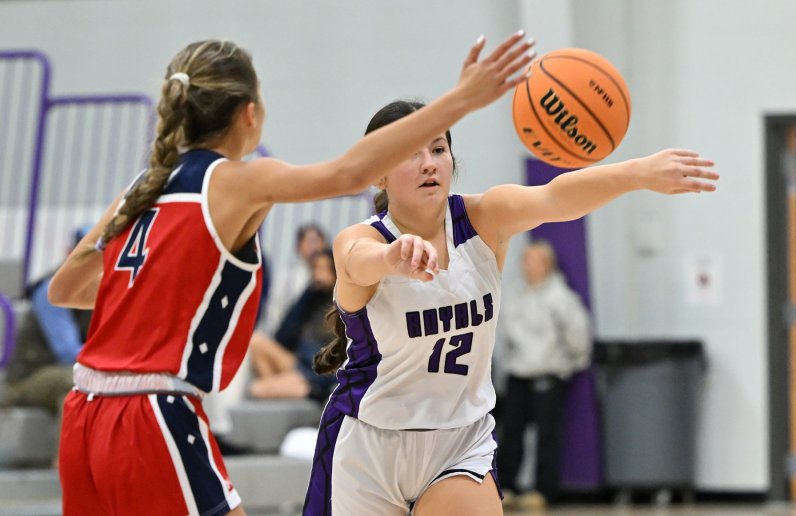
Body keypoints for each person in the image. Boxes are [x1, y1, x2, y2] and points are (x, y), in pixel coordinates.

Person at [47, 34, 536, 516]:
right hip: (149, 412)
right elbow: (349, 175)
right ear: (249, 113)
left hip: (83, 410)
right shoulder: (239, 179)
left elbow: (65, 288)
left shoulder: (141, 190)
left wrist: (157, 291)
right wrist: (460, 101)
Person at [304, 100, 718, 515]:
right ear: (379, 173)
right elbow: (356, 261)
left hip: (459, 441)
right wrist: (392, 259)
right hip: (369, 443)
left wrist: (638, 173)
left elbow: (555, 198)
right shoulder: (364, 239)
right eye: (411, 153)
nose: (429, 163)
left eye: (438, 149)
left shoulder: (483, 218)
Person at [496, 239, 591, 511]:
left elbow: (578, 336)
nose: (525, 264)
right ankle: (508, 486)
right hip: (517, 374)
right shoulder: (514, 294)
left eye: (532, 259)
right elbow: (505, 335)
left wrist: (566, 365)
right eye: (524, 259)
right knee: (511, 433)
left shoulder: (560, 297)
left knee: (548, 436)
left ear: (545, 264)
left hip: (548, 375)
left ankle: (544, 491)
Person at [1, 226, 94, 464]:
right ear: (69, 252)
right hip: (28, 378)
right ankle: (68, 464)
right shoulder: (52, 289)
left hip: (72, 367)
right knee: (73, 382)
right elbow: (67, 351)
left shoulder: (101, 288)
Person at [250, 248, 338, 402]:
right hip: (300, 364)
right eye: (316, 269)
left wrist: (321, 385)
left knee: (258, 389)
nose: (319, 274)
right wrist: (308, 293)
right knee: (256, 341)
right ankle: (282, 394)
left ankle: (285, 391)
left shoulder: (343, 304)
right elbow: (282, 337)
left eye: (324, 268)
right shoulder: (313, 297)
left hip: (318, 377)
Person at [263, 224, 327, 336]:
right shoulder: (287, 276)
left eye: (317, 241)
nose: (314, 247)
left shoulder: (334, 275)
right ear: (299, 246)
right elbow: (275, 311)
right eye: (310, 242)